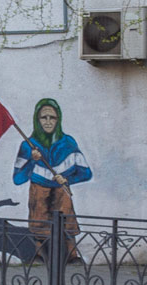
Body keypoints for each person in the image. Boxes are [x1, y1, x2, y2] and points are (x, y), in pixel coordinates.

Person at [13, 98, 91, 262]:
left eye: (52, 117)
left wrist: (67, 179)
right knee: (39, 219)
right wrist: (32, 160)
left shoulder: (68, 143)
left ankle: (72, 255)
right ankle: (40, 254)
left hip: (61, 190)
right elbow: (18, 179)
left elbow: (86, 173)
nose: (48, 122)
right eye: (44, 117)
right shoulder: (28, 145)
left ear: (58, 119)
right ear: (37, 119)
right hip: (39, 189)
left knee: (67, 221)